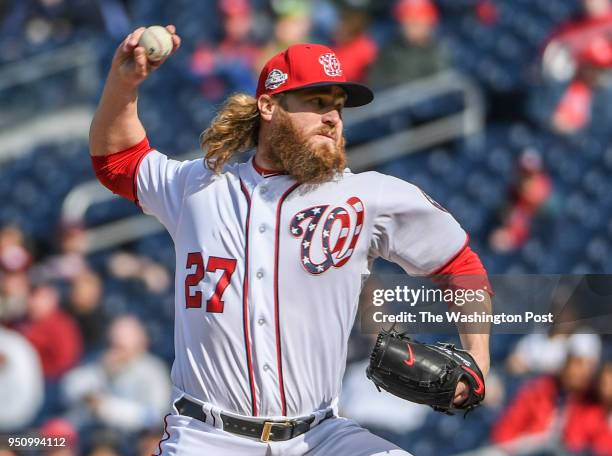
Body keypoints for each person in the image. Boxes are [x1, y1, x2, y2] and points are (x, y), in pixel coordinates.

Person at [88, 25, 491, 455]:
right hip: (207, 438)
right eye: (317, 103)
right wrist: (124, 82)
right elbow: (117, 162)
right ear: (268, 105)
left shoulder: (366, 197)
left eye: (338, 107)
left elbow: (458, 265)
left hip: (318, 437)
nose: (333, 118)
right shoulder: (200, 188)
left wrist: (479, 361)